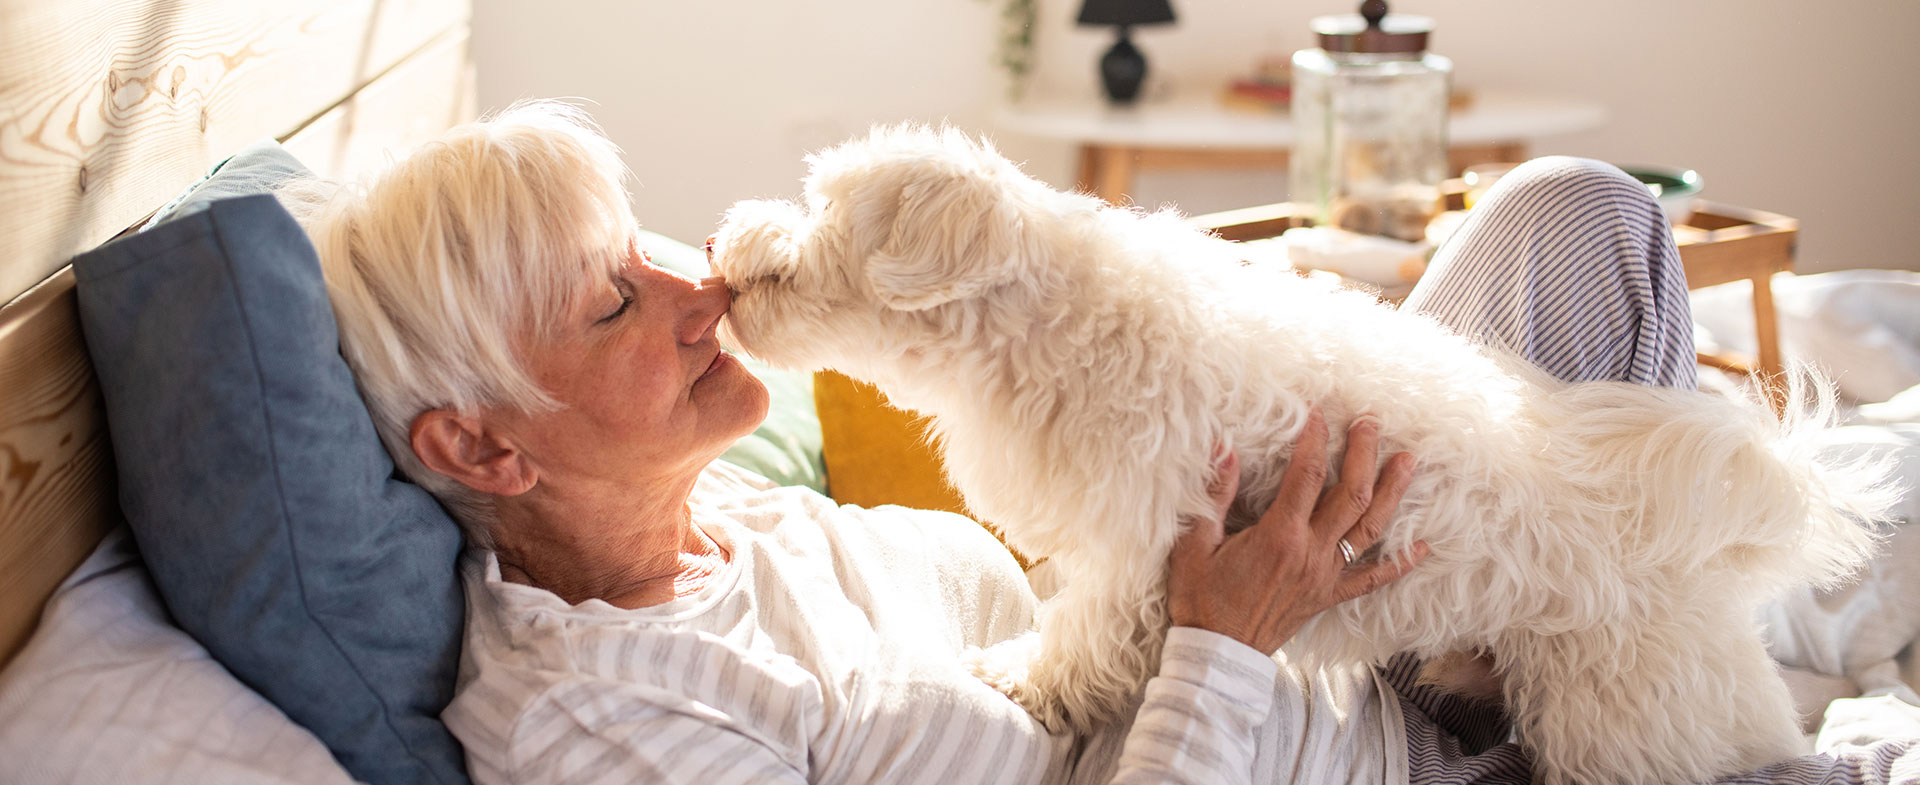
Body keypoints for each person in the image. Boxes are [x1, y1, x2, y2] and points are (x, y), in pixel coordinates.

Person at [292, 102, 1917, 784]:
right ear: (484, 447)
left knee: (1580, 216)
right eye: (607, 305)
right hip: (1325, 706)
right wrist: (1232, 636)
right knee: (1652, 570)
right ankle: (1700, 645)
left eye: (641, 242)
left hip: (1335, 591)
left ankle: (1682, 584)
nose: (690, 285)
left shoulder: (752, 524)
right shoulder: (599, 716)